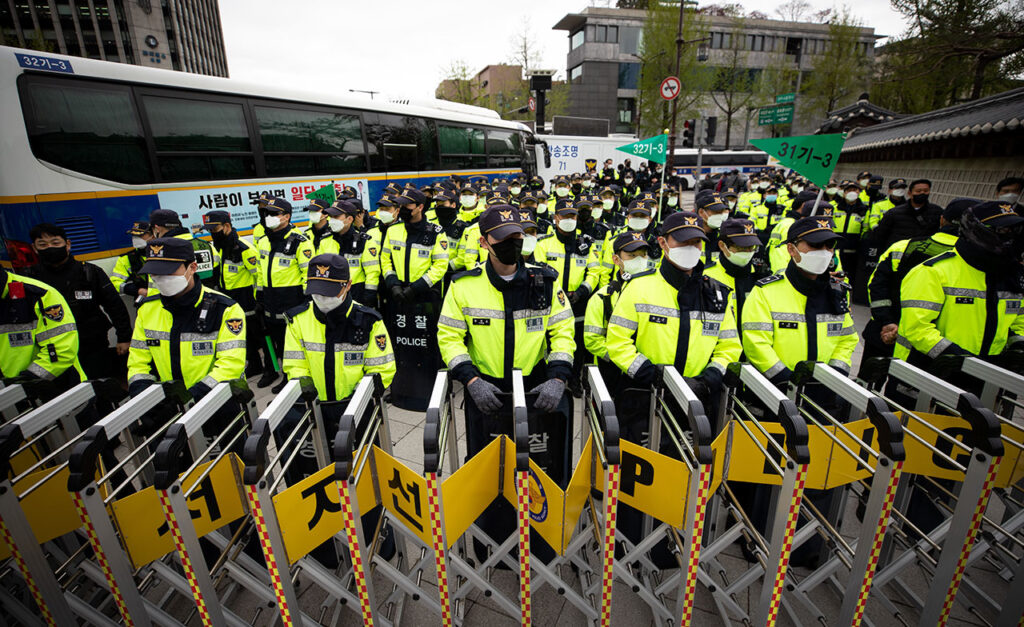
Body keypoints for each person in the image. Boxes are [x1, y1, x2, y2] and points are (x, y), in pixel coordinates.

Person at [437, 205, 575, 560]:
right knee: (490, 475)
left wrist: (558, 377)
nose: (515, 244)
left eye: (520, 236)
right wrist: (470, 381)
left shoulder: (545, 281)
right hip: (488, 393)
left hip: (534, 390)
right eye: (505, 238)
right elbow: (449, 338)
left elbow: (563, 331)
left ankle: (539, 543)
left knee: (536, 471)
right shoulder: (464, 287)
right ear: (485, 242)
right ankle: (491, 544)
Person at [740, 216, 858, 566]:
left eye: (828, 246)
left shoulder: (839, 292)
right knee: (771, 474)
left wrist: (833, 374)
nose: (824, 252)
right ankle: (759, 541)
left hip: (823, 397)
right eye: (814, 246)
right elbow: (756, 340)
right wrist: (785, 380)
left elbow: (847, 339)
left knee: (817, 473)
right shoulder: (766, 291)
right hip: (777, 396)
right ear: (792, 250)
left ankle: (807, 547)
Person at [606, 211, 742, 430]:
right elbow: (617, 342)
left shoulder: (716, 293)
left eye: (696, 242)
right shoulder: (638, 287)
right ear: (662, 242)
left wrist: (710, 378)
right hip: (645, 396)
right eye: (682, 241)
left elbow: (729, 345)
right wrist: (653, 375)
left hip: (699, 398)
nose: (690, 247)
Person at [894, 201, 1024, 373]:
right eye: (1001, 230)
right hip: (929, 373)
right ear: (976, 231)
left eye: (1014, 231)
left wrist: (1017, 351)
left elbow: (1018, 323)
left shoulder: (1011, 276)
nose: (1009, 237)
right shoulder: (934, 272)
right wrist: (962, 361)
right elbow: (917, 328)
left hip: (988, 376)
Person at [126, 238, 246, 404]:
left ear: (192, 268)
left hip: (218, 401)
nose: (161, 279)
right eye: (155, 273)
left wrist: (192, 396)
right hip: (169, 405)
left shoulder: (225, 309)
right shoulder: (147, 309)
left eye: (169, 272)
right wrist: (144, 395)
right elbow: (138, 361)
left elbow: (231, 364)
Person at [25, 223, 132, 383]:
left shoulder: (89, 272)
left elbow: (114, 305)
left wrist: (124, 337)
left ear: (67, 244)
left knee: (99, 385)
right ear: (34, 248)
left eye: (55, 243)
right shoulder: (29, 279)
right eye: (43, 245)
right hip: (52, 351)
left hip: (92, 343)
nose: (50, 248)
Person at [282, 253, 395, 402]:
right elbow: (294, 364)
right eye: (316, 291)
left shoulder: (370, 321)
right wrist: (304, 384)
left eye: (329, 292)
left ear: (348, 285)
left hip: (357, 405)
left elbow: (381, 368)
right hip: (315, 405)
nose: (322, 297)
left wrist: (358, 398)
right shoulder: (297, 320)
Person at [380, 188, 449, 410]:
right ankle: (401, 389)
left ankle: (431, 392)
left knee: (427, 344)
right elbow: (385, 258)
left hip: (424, 297)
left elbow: (440, 266)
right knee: (400, 344)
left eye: (407, 208)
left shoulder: (436, 232)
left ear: (420, 207)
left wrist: (417, 287)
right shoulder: (394, 231)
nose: (402, 212)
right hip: (398, 296)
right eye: (400, 207)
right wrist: (393, 284)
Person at [253, 197, 315, 392]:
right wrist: (259, 296)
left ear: (287, 217)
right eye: (267, 213)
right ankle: (278, 372)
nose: (268, 217)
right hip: (270, 300)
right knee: (276, 340)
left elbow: (309, 274)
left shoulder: (300, 242)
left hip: (292, 300)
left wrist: (307, 301)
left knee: (293, 342)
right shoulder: (263, 241)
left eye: (274, 214)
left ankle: (293, 378)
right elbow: (260, 272)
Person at [202, 210, 269, 379]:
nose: (212, 233)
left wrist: (259, 298)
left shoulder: (243, 248)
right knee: (242, 336)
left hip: (247, 298)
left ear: (227, 226)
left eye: (215, 229)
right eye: (209, 230)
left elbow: (258, 274)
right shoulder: (218, 247)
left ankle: (270, 369)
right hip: (228, 297)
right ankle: (254, 365)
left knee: (259, 336)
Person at [0, 265, 83, 398]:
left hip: (58, 390)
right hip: (11, 398)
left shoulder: (39, 294)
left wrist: (23, 383)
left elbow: (62, 351)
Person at [584, 232, 650, 394]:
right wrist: (620, 358)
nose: (639, 260)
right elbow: (592, 340)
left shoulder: (656, 294)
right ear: (616, 260)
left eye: (643, 255)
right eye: (632, 255)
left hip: (647, 373)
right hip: (609, 373)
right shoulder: (602, 297)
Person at [704, 218, 765, 328]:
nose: (748, 252)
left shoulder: (761, 276)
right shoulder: (706, 276)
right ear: (722, 246)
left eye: (752, 247)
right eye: (741, 247)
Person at [316, 200, 379, 305]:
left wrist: (370, 294)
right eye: (330, 217)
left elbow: (372, 271)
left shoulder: (364, 241)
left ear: (349, 219)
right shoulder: (324, 241)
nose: (331, 220)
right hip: (331, 294)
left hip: (357, 293)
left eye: (336, 217)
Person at [149, 208, 218, 285]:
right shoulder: (206, 245)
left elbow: (157, 284)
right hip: (207, 294)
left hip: (177, 296)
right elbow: (217, 270)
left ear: (157, 228)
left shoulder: (161, 251)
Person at [871, 178, 943, 251]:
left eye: (926, 191)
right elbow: (880, 234)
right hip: (897, 253)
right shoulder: (894, 212)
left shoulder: (937, 212)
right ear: (910, 193)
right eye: (918, 191)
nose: (922, 193)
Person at [111, 221, 156, 305]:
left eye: (140, 235)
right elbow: (115, 282)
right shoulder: (127, 258)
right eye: (134, 236)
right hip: (145, 302)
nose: (135, 239)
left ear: (152, 235)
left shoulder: (164, 252)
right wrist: (138, 290)